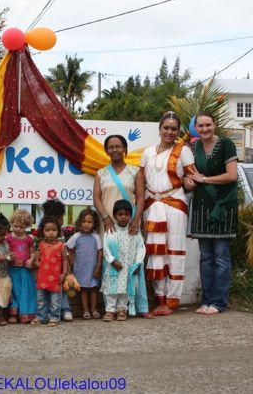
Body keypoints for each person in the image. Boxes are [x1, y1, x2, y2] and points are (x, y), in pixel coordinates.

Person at [139, 111, 196, 316]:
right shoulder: (147, 152)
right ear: (160, 129)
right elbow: (141, 180)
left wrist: (190, 182)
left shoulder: (183, 150)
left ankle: (172, 301)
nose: (170, 132)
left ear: (178, 130)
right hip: (152, 205)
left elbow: (192, 175)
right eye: (166, 127)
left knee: (175, 251)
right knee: (156, 253)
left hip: (175, 204)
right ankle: (159, 299)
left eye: (174, 128)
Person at [184, 111, 238, 315]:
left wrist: (204, 180)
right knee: (205, 257)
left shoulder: (226, 144)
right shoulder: (193, 147)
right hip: (201, 206)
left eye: (208, 125)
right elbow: (189, 176)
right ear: (195, 128)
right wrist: (188, 181)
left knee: (221, 256)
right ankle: (206, 301)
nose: (205, 129)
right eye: (201, 126)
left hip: (222, 207)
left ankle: (219, 302)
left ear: (214, 125)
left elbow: (231, 175)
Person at [100, 200, 150, 321]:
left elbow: (140, 248)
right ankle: (110, 310)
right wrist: (112, 261)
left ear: (130, 215)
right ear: (115, 216)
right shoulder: (110, 231)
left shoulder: (134, 231)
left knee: (126, 289)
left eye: (126, 214)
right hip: (114, 267)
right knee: (111, 289)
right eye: (120, 214)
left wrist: (138, 263)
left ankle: (122, 310)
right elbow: (105, 248)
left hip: (128, 267)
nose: (123, 217)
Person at [93, 135, 144, 236]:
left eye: (118, 146)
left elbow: (141, 198)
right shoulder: (100, 174)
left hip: (130, 223)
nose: (115, 150)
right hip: (108, 225)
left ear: (124, 149)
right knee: (109, 251)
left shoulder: (135, 171)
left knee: (130, 251)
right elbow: (96, 199)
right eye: (111, 147)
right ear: (107, 151)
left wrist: (136, 220)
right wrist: (106, 218)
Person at [66, 209, 103, 320]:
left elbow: (100, 252)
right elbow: (68, 247)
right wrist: (72, 260)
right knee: (83, 290)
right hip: (80, 269)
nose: (86, 224)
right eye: (84, 221)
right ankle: (85, 310)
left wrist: (98, 268)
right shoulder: (76, 236)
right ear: (80, 222)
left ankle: (94, 309)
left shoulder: (96, 236)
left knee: (93, 289)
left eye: (89, 222)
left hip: (93, 269)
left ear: (94, 224)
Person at [41, 199, 73, 322]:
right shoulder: (45, 233)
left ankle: (65, 309)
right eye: (61, 217)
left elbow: (64, 252)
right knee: (49, 291)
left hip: (60, 268)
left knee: (63, 288)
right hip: (47, 269)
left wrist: (67, 267)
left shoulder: (60, 234)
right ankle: (52, 311)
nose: (62, 220)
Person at [33, 216, 68, 327]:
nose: (51, 233)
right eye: (47, 230)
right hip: (42, 277)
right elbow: (37, 259)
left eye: (54, 230)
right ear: (43, 231)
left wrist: (65, 273)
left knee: (55, 300)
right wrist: (38, 263)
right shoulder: (41, 244)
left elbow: (65, 260)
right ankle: (41, 317)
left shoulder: (61, 245)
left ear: (58, 231)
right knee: (41, 299)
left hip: (56, 278)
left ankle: (54, 317)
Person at [6, 209, 37, 324]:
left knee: (25, 291)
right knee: (13, 291)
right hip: (12, 269)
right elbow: (5, 250)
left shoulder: (29, 239)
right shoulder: (9, 237)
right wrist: (9, 256)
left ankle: (25, 314)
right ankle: (13, 314)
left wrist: (31, 259)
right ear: (11, 223)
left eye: (22, 227)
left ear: (27, 226)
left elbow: (32, 252)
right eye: (16, 226)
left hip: (25, 270)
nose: (18, 229)